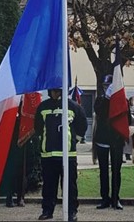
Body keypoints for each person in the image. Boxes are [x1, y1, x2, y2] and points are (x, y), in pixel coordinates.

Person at [34, 88, 87, 222]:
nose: (56, 93)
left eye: (58, 91)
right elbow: (38, 127)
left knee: (70, 186)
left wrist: (75, 139)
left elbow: (82, 124)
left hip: (68, 154)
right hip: (48, 154)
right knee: (48, 186)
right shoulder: (43, 107)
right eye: (54, 91)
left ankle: (71, 212)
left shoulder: (73, 106)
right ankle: (47, 211)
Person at [94, 74, 128, 210]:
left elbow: (125, 118)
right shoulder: (100, 100)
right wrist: (108, 99)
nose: (107, 88)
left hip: (116, 139)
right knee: (103, 171)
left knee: (116, 170)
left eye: (110, 86)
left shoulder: (122, 100)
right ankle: (104, 198)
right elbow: (100, 112)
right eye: (105, 86)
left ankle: (115, 198)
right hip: (103, 138)